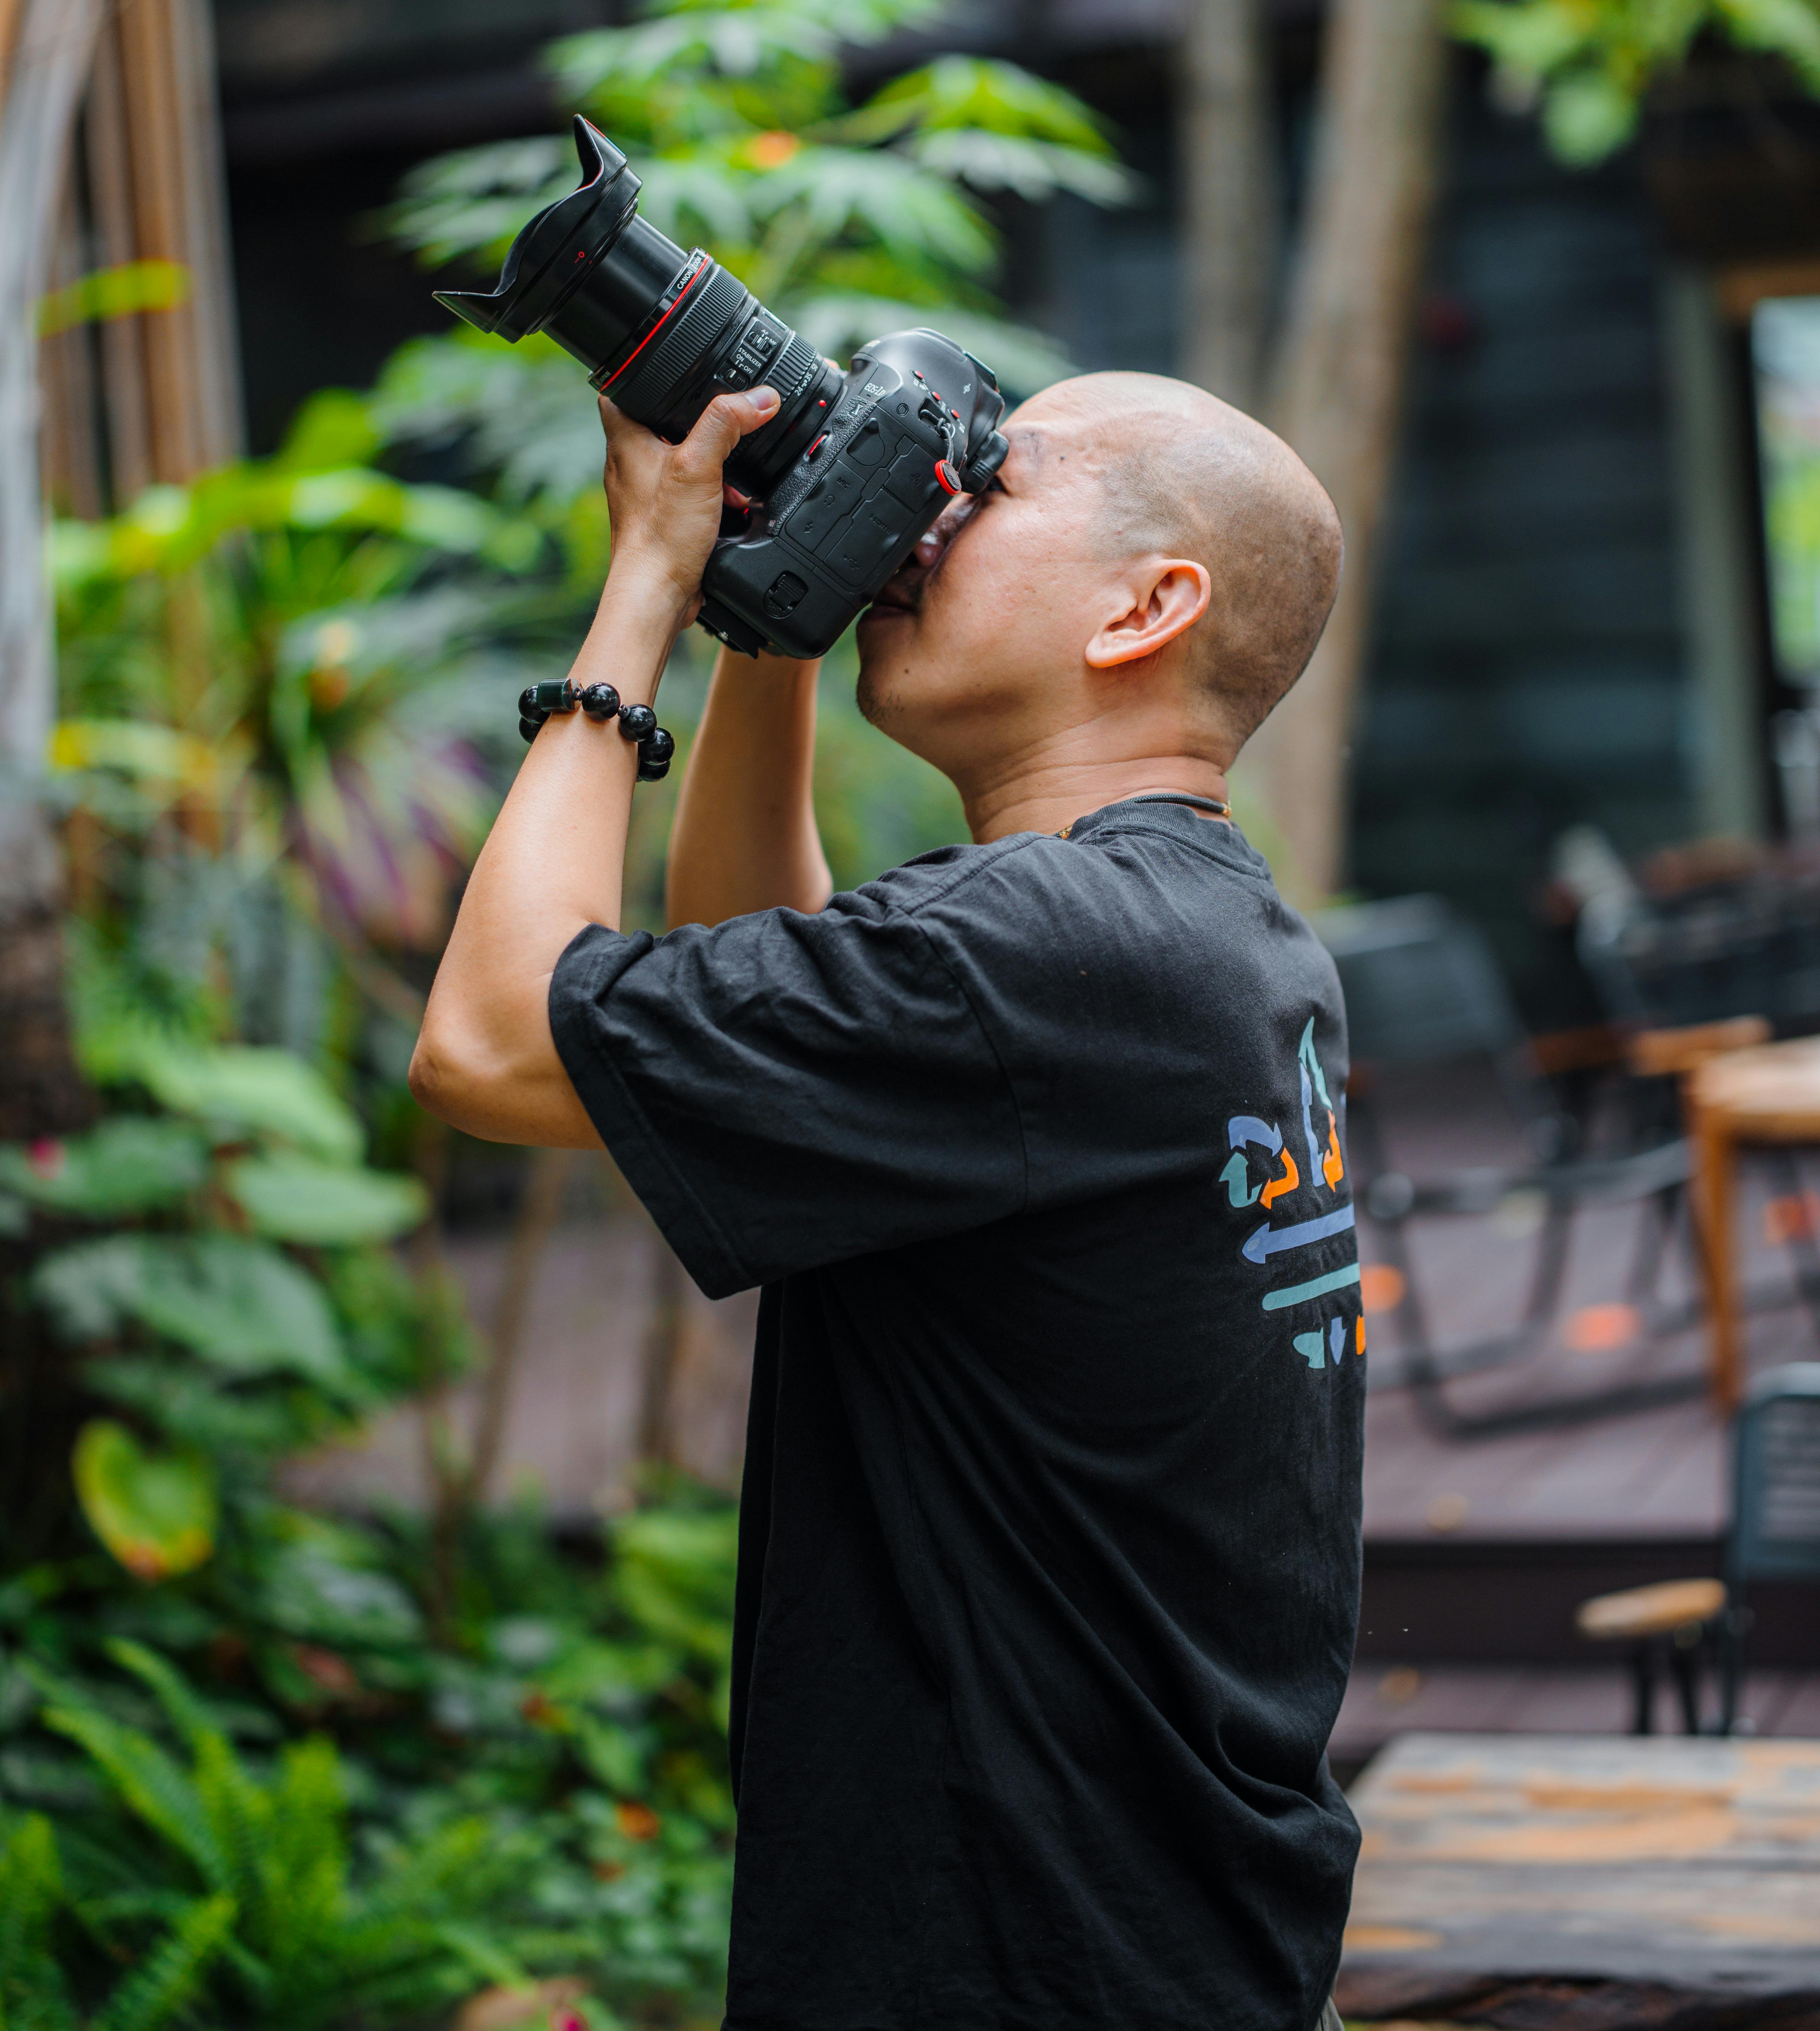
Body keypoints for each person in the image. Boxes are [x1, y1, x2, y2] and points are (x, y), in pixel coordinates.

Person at [411, 368, 1362, 2031]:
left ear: (1148, 605)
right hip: (1144, 1925)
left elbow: (493, 1042)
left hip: (1011, 1956)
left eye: (986, 481)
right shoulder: (1207, 937)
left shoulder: (1044, 951)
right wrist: (766, 613)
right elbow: (746, 996)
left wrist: (640, 581)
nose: (926, 507)